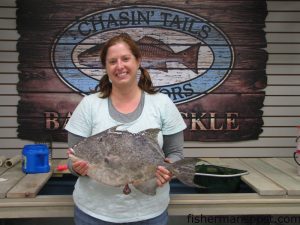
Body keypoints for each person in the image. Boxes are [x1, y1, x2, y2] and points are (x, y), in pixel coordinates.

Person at [65, 33, 187, 225]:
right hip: (94, 214)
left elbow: (175, 153)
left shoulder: (162, 103)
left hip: (149, 214)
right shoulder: (88, 105)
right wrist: (77, 168)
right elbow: (73, 159)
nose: (119, 66)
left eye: (125, 59)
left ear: (138, 61)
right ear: (105, 67)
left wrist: (169, 169)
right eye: (112, 61)